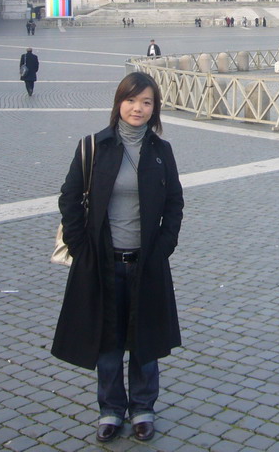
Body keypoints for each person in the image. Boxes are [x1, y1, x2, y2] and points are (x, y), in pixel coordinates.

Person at [52, 72, 184, 444]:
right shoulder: (93, 146)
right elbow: (70, 199)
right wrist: (82, 247)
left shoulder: (162, 151)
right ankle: (110, 409)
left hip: (146, 261)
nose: (138, 108)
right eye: (131, 100)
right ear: (118, 103)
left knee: (144, 341)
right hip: (103, 262)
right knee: (107, 342)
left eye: (146, 102)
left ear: (155, 107)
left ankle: (143, 408)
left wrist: (163, 247)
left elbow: (174, 202)